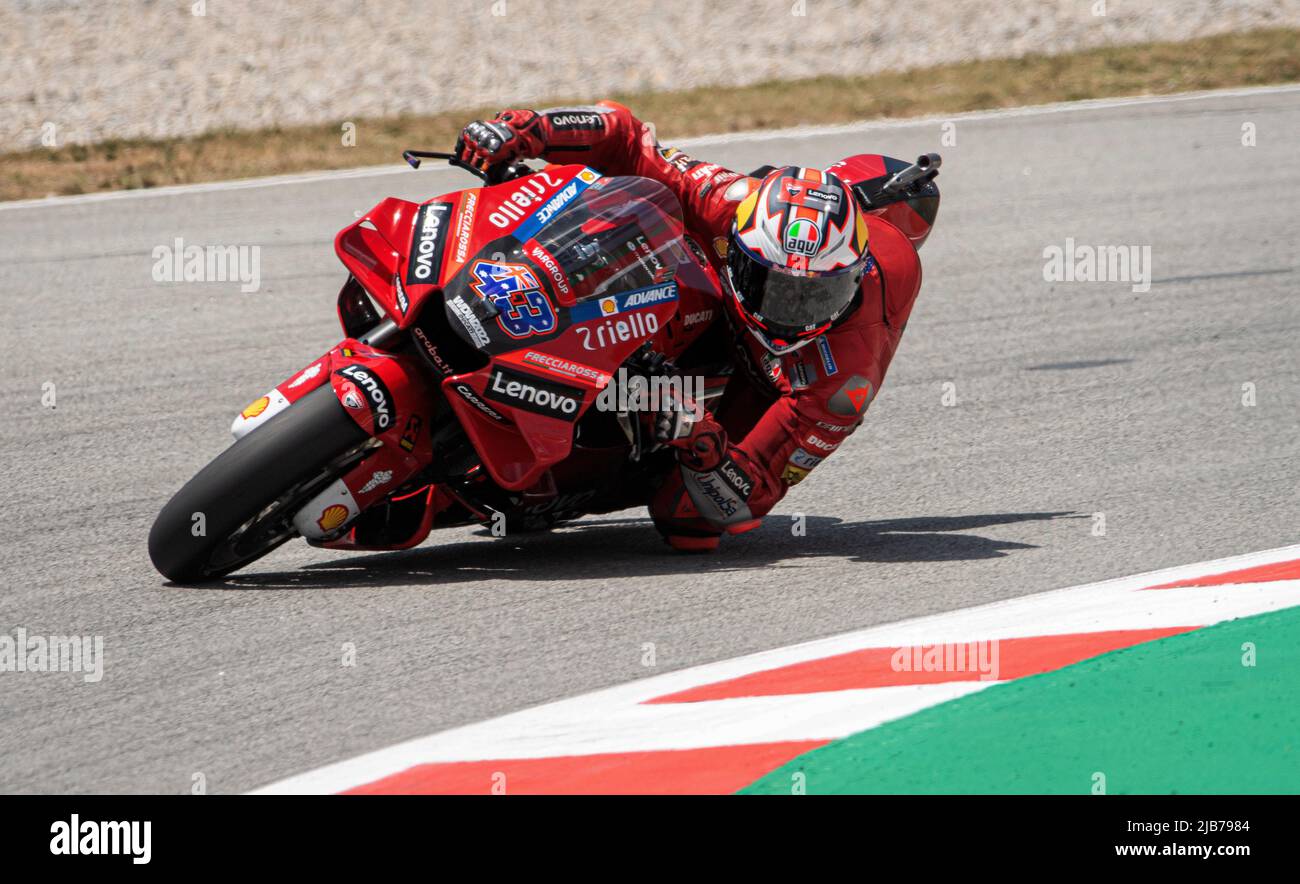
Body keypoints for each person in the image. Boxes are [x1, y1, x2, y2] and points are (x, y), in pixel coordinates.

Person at [454, 102, 925, 551]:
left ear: (853, 277)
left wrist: (700, 440)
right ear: (739, 246)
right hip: (705, 295)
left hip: (765, 381)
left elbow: (750, 495)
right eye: (773, 285)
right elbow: (626, 138)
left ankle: (592, 465)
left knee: (687, 519)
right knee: (626, 224)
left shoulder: (846, 377)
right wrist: (532, 130)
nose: (790, 312)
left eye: (817, 295)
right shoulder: (728, 200)